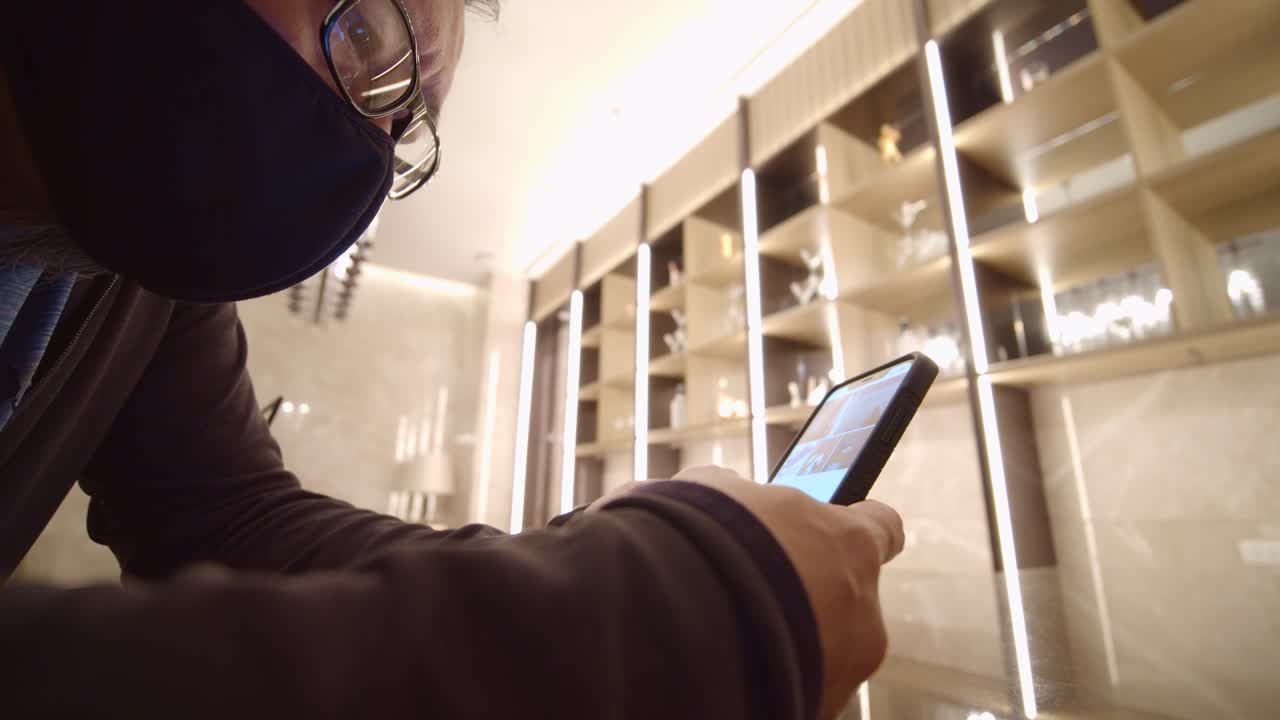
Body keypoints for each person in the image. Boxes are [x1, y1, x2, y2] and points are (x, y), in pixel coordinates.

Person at [0, 1, 905, 718]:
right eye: (368, 34)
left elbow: (231, 518)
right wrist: (677, 619)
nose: (363, 147)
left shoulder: (146, 291)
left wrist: (566, 567)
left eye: (404, 124)